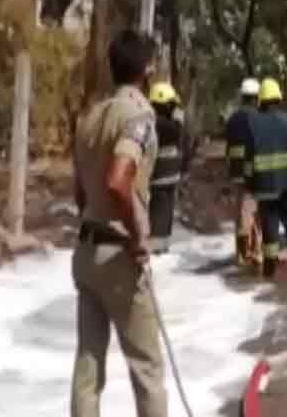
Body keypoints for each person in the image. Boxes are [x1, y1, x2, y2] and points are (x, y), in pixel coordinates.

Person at [71, 29, 166, 417]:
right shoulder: (138, 115)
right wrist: (136, 234)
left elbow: (81, 192)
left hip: (87, 250)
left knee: (88, 366)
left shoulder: (90, 118)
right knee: (147, 368)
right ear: (148, 68)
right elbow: (117, 180)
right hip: (119, 256)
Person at [246, 77, 287, 277]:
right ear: (278, 98)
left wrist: (250, 182)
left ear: (261, 100)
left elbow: (249, 158)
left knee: (270, 226)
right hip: (286, 184)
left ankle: (270, 266)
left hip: (264, 186)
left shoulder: (253, 123)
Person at [225, 78, 261, 267]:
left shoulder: (232, 119)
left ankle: (240, 252)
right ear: (256, 98)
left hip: (235, 170)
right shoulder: (257, 118)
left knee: (240, 212)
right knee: (252, 211)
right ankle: (252, 251)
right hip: (252, 171)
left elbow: (228, 146)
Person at [147, 82, 184, 254]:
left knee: (162, 209)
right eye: (172, 105)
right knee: (162, 210)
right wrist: (179, 118)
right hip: (163, 176)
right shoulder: (161, 123)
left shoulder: (152, 121)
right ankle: (158, 245)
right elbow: (176, 131)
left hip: (161, 176)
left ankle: (160, 243)